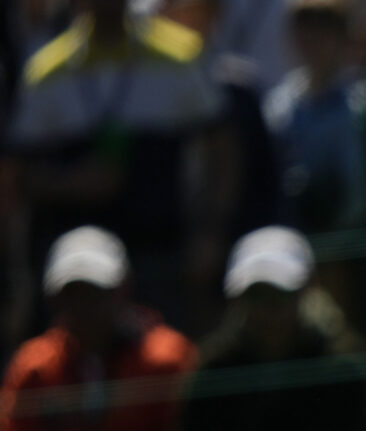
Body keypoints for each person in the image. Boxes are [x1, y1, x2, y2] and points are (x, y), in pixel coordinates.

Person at [9, 0, 229, 329]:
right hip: (76, 270)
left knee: (163, 361)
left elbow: (224, 148)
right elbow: (17, 176)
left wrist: (210, 232)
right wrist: (74, 184)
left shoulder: (180, 55)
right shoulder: (45, 70)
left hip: (160, 253)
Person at [168, 226, 366, 431]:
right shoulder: (216, 361)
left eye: (279, 294)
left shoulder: (342, 361)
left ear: (307, 289)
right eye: (255, 295)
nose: (267, 309)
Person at [0, 228, 198, 431]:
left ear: (123, 289)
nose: (85, 306)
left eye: (96, 293)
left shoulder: (167, 358)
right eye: (72, 294)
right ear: (54, 299)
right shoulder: (34, 367)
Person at [263, 0, 366, 233]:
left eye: (323, 29)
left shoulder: (359, 105)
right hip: (289, 232)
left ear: (342, 38)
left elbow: (361, 188)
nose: (311, 39)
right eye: (304, 28)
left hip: (346, 238)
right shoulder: (278, 104)